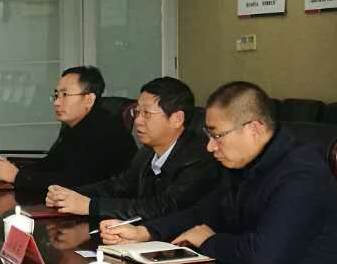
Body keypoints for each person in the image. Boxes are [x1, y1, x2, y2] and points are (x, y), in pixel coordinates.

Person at [100, 81, 337, 264]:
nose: (210, 147)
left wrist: (208, 240)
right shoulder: (244, 162)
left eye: (217, 135)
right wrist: (145, 232)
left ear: (253, 129)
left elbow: (264, 255)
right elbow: (205, 212)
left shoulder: (301, 175)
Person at [46, 76, 220, 220]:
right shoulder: (147, 152)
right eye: (137, 112)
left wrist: (90, 206)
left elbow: (162, 207)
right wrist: (69, 195)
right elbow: (117, 186)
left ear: (177, 119)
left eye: (147, 113)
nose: (137, 121)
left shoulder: (198, 159)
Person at [0, 66, 135, 196]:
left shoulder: (106, 131)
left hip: (104, 211)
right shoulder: (75, 127)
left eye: (65, 95)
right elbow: (51, 165)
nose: (57, 102)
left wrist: (18, 177)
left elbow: (77, 182)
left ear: (89, 99)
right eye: (56, 95)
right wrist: (15, 170)